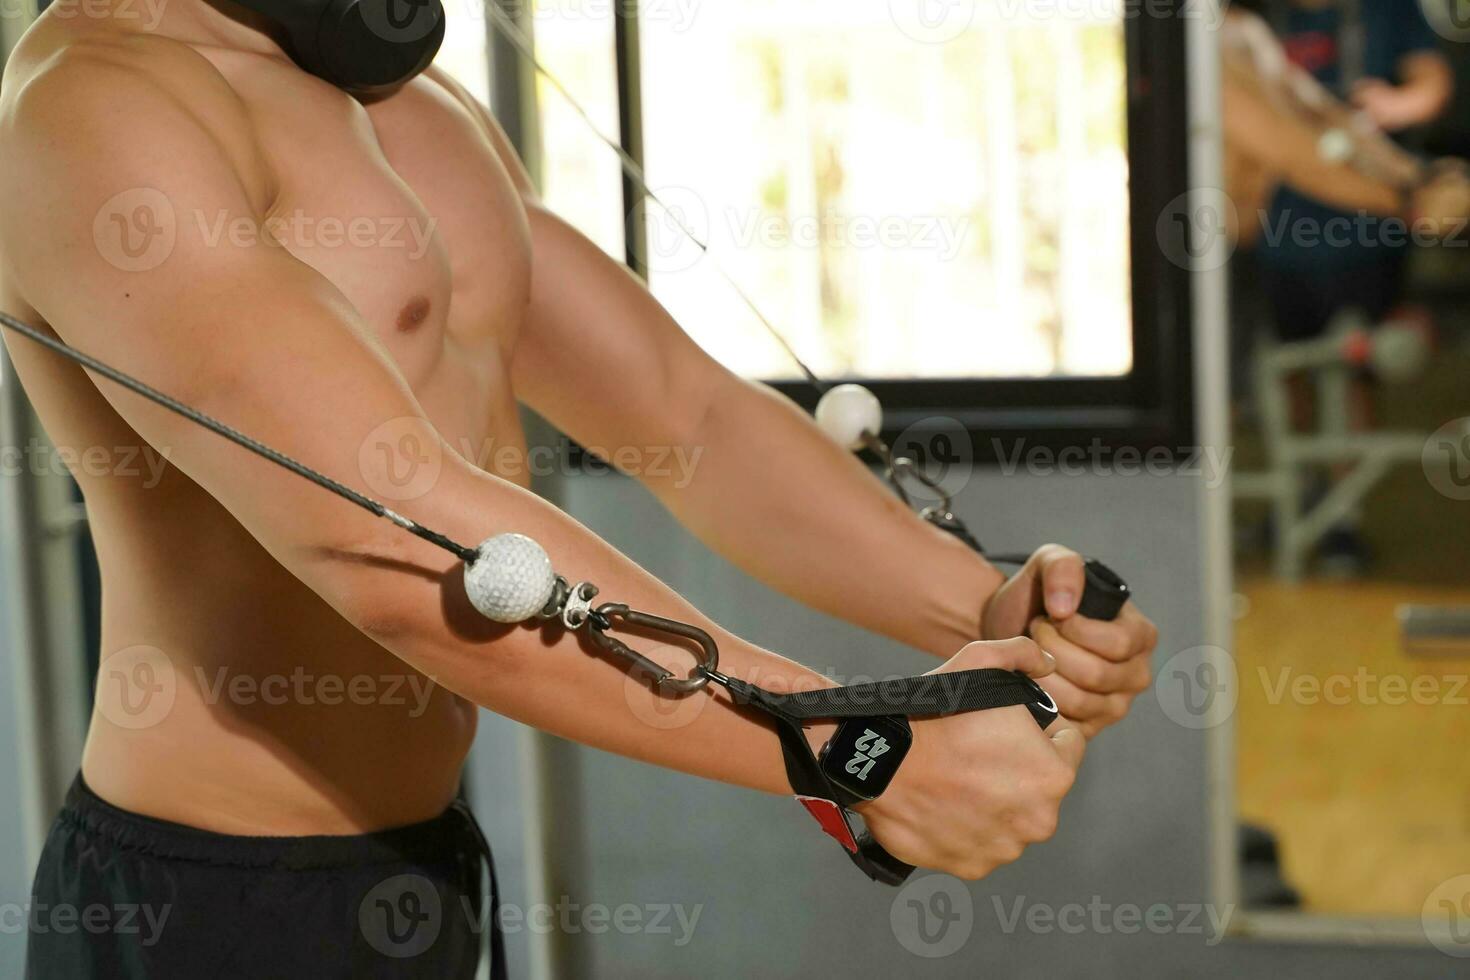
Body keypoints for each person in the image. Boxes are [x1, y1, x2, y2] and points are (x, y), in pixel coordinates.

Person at [0, 2, 1157, 976]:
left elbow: (679, 410)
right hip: (213, 901)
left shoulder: (406, 103)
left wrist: (980, 601)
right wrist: (856, 747)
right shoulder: (98, 111)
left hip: (429, 861)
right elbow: (397, 552)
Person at [1234, 0, 1455, 572]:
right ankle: (1298, 498)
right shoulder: (1253, 26)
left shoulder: (1386, 12)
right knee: (1288, 375)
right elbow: (1294, 141)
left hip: (1363, 244)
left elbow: (1429, 81)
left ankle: (1341, 519)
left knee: (1352, 371)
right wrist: (1412, 194)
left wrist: (1397, 115)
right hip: (1279, 241)